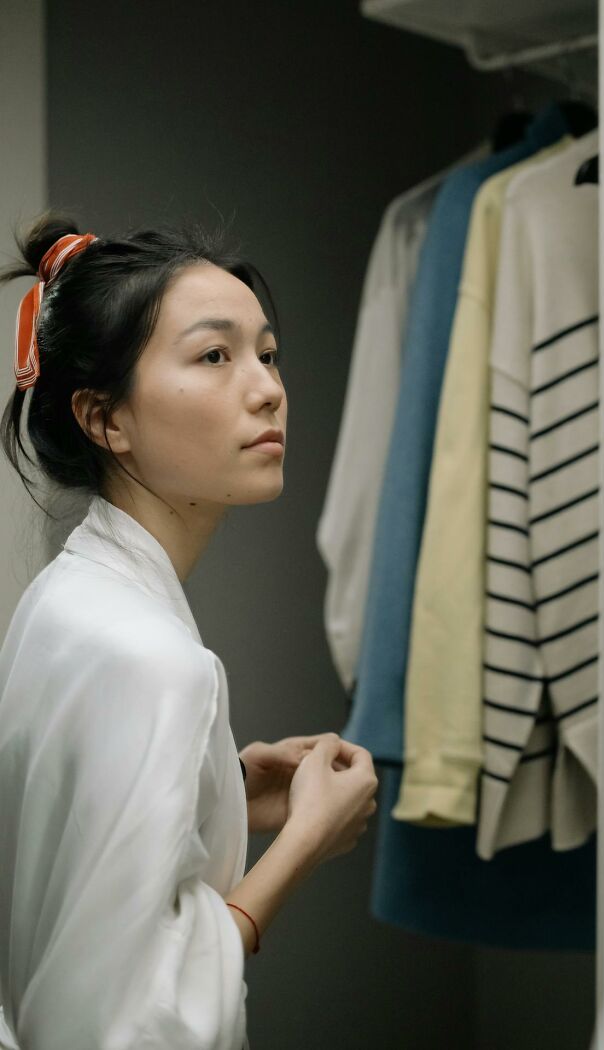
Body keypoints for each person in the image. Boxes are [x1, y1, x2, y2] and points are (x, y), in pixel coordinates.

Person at [0, 211, 378, 1050]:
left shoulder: (66, 598)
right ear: (105, 419)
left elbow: (65, 851)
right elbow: (125, 1026)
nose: (268, 387)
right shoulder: (156, 660)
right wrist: (303, 845)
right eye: (215, 355)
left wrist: (223, 791)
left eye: (267, 353)